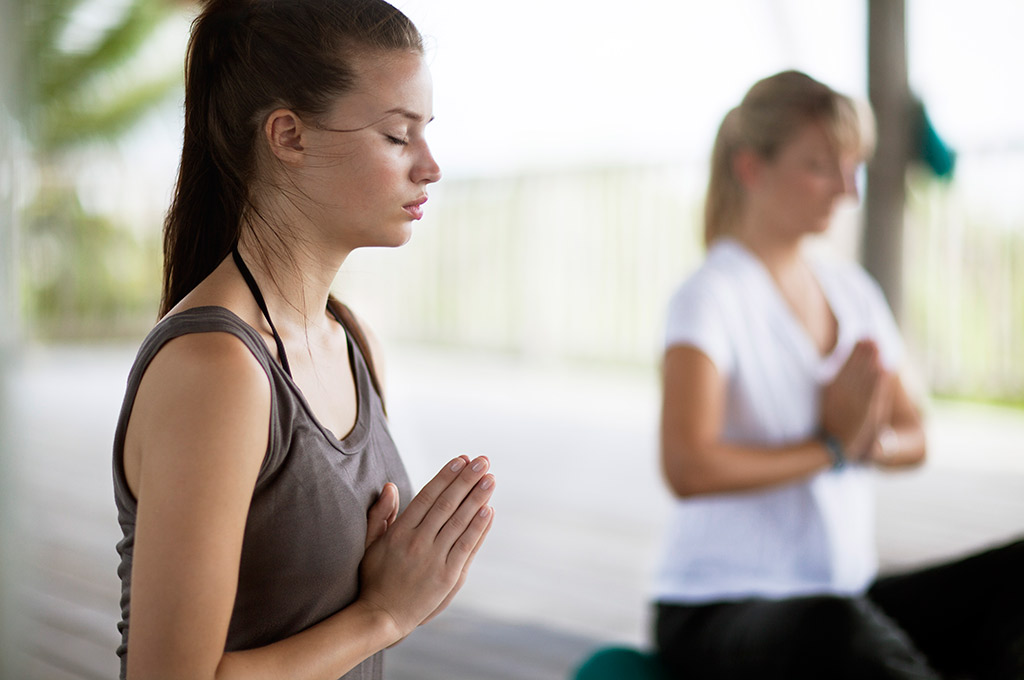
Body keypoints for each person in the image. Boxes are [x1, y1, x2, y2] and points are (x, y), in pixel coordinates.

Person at [111, 2, 496, 678]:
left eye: (426, 133)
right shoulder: (218, 368)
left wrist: (399, 576)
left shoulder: (351, 339)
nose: (431, 167)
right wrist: (384, 615)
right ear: (289, 136)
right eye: (398, 136)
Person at [654, 70, 1023, 679]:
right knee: (835, 628)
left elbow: (914, 435)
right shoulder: (709, 296)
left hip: (843, 592)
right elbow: (687, 467)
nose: (848, 189)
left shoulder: (852, 292)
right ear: (751, 168)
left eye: (853, 167)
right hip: (718, 607)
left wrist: (867, 441)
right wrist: (829, 447)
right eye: (821, 166)